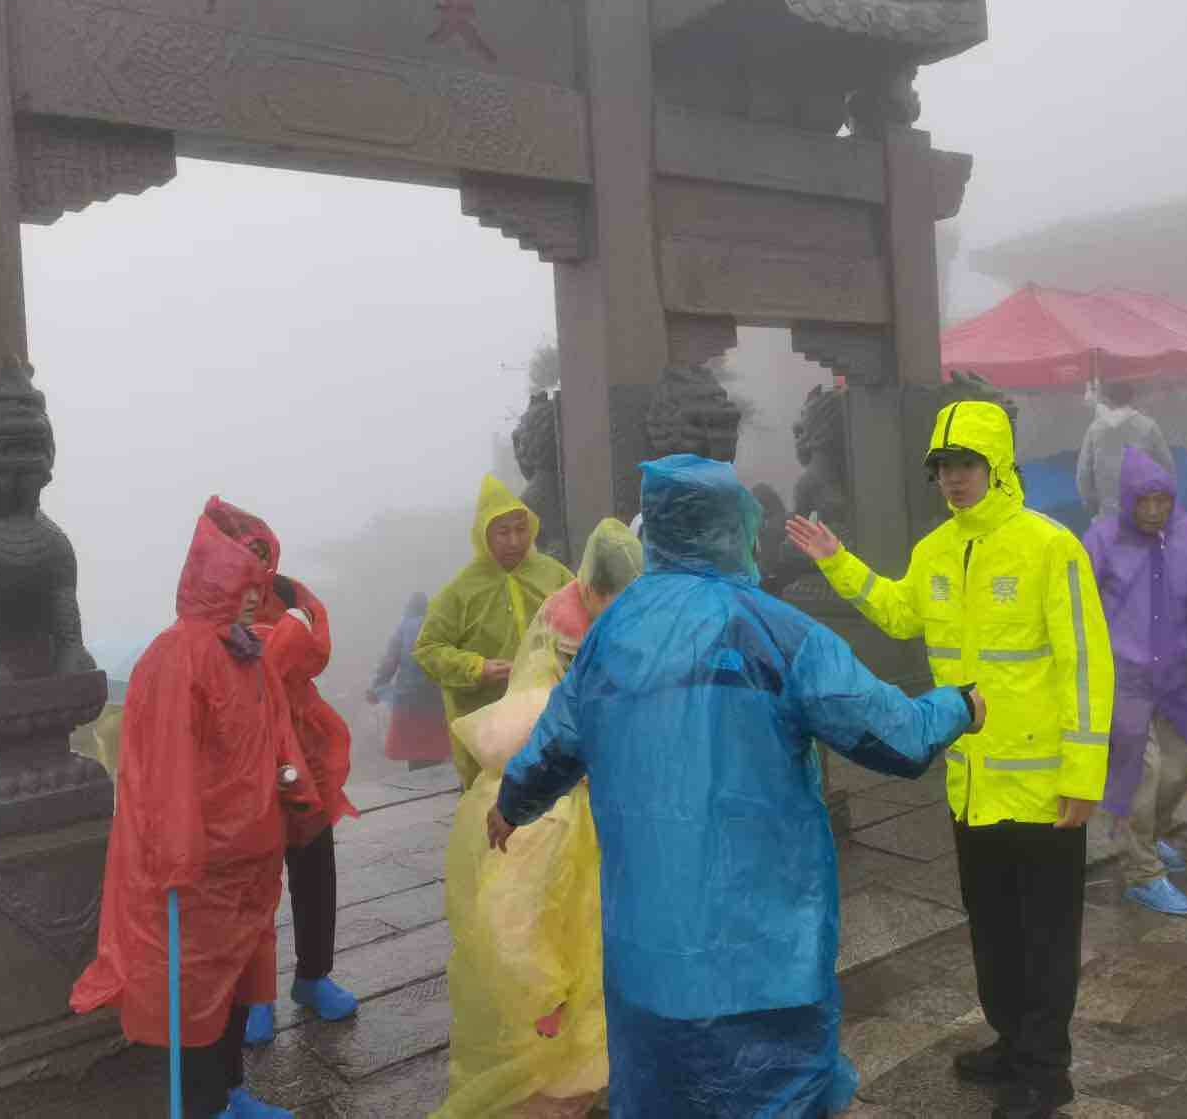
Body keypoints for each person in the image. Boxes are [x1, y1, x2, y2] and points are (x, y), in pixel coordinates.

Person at [492, 456, 983, 1119]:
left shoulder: (612, 632)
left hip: (650, 959)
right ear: (727, 530)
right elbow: (891, 736)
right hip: (763, 959)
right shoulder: (776, 630)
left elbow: (557, 740)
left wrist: (510, 803)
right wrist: (959, 706)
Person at [789, 400, 1114, 1119]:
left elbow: (1086, 664)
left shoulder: (1049, 545)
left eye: (966, 464)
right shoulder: (936, 550)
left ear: (996, 465)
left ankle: (1045, 1068)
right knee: (991, 924)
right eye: (942, 467)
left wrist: (1085, 773)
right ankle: (1010, 1038)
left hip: (1043, 788)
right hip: (970, 782)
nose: (953, 479)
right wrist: (836, 562)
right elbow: (901, 613)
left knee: (1047, 933)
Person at [72, 498, 317, 1119]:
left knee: (238, 982)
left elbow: (278, 732)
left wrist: (295, 787)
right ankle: (204, 1104)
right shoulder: (176, 658)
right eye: (242, 583)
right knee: (197, 994)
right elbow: (165, 770)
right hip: (203, 865)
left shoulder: (246, 653)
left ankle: (232, 1092)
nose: (252, 596)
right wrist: (181, 854)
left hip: (250, 857)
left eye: (256, 584)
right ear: (213, 580)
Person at [438, 518, 643, 1118]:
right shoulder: (563, 639)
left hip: (583, 802)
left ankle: (589, 1057)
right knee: (557, 925)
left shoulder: (578, 603)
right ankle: (558, 1051)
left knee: (596, 935)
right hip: (557, 809)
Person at [1084, 447, 1187, 919]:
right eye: (1144, 501)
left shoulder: (1183, 537)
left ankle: (1147, 837)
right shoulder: (1102, 539)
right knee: (1142, 771)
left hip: (1174, 673)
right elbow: (1076, 604)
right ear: (1127, 500)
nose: (1154, 510)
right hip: (1122, 676)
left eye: (1162, 500)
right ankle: (1143, 873)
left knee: (1184, 764)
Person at [243, 570, 361, 1046]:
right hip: (248, 763)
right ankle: (255, 996)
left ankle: (313, 976)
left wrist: (285, 632)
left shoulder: (289, 593)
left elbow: (312, 649)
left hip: (303, 757)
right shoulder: (212, 604)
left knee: (315, 869)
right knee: (254, 887)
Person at [417, 476, 573, 789]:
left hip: (552, 712)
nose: (515, 541)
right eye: (503, 532)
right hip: (490, 726)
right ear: (483, 535)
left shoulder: (554, 575)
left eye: (520, 529)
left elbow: (589, 619)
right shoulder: (461, 591)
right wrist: (476, 667)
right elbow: (428, 648)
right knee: (495, 804)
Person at [369, 592, 451, 770]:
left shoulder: (403, 628)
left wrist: (376, 688)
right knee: (436, 750)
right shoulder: (439, 625)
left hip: (409, 700)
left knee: (415, 753)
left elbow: (389, 662)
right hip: (436, 700)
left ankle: (419, 788)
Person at [1076, 382, 1175, 519]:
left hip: (1108, 515)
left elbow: (1084, 474)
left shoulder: (1095, 430)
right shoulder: (1148, 427)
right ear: (1133, 399)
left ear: (1108, 400)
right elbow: (1166, 469)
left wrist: (1092, 505)